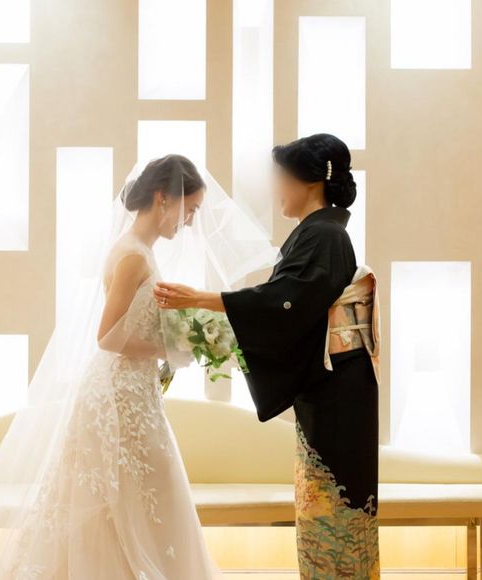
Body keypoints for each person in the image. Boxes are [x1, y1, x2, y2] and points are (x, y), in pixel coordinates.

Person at [154, 134, 381, 579]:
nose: (277, 189)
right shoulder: (318, 233)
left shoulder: (325, 235)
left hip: (339, 395)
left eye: (281, 178)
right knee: (324, 504)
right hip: (331, 390)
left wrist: (202, 299)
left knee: (336, 505)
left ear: (309, 182)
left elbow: (284, 302)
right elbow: (286, 304)